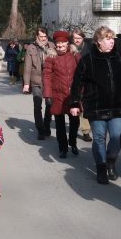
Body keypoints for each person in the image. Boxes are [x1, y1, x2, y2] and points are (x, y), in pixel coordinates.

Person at [69, 26, 121, 184]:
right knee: (99, 138)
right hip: (96, 107)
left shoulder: (120, 58)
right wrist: (74, 103)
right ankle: (101, 168)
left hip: (117, 106)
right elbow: (77, 82)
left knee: (116, 136)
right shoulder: (87, 60)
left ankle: (111, 161)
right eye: (107, 39)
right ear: (98, 41)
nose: (111, 41)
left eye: (112, 38)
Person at [43, 30, 81, 159]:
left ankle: (73, 143)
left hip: (72, 96)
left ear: (67, 43)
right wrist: (47, 95)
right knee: (59, 124)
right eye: (57, 44)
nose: (60, 47)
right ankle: (63, 148)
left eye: (62, 44)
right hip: (57, 95)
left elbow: (82, 72)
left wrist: (82, 91)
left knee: (75, 122)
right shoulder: (51, 57)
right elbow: (47, 77)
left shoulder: (75, 55)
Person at [22, 27, 54, 140]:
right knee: (37, 105)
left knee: (49, 104)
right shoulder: (31, 48)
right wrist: (26, 83)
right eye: (41, 36)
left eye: (45, 36)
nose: (43, 39)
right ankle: (40, 129)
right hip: (36, 80)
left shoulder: (52, 46)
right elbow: (27, 66)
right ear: (37, 36)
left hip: (50, 80)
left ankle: (47, 125)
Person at [71, 29, 94, 142]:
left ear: (83, 38)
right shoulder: (69, 49)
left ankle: (86, 131)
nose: (77, 40)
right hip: (72, 80)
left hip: (85, 80)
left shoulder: (89, 49)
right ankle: (76, 128)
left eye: (79, 38)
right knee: (75, 105)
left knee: (83, 105)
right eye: (75, 38)